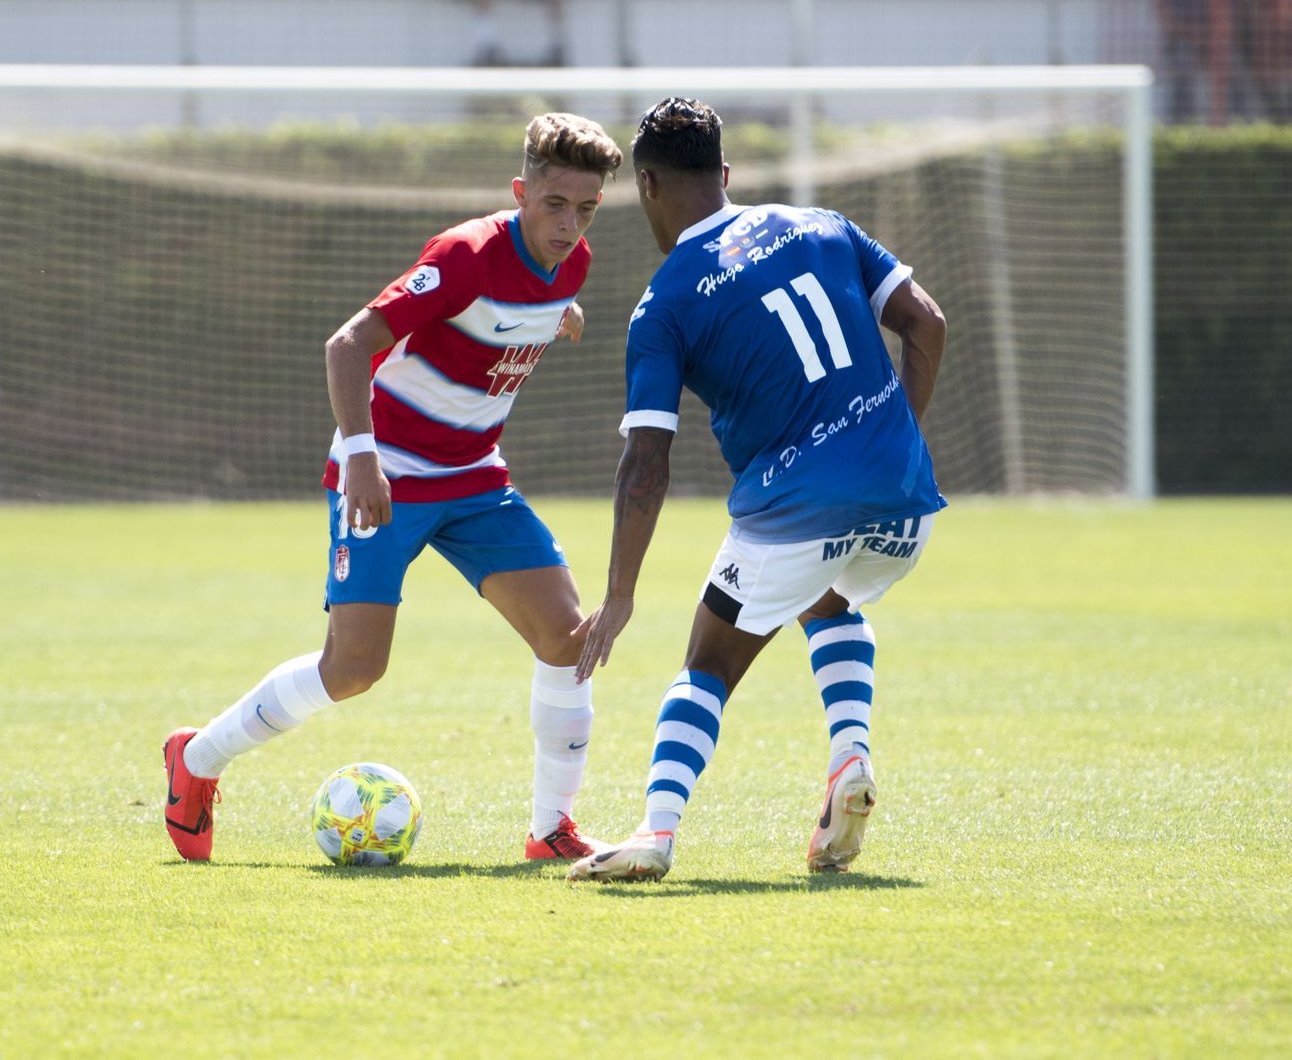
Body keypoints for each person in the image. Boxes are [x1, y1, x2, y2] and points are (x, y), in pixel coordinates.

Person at [163, 113, 625, 864]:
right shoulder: (465, 253)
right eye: (554, 205)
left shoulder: (570, 264)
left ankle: (550, 830)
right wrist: (360, 460)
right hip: (388, 475)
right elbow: (348, 344)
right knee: (353, 669)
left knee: (569, 640)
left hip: (476, 477)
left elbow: (526, 305)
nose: (570, 225)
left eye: (586, 209)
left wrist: (555, 314)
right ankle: (197, 759)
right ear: (520, 192)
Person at [566, 97, 948, 882]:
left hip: (798, 513)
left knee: (708, 660)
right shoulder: (825, 225)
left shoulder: (664, 304)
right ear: (726, 175)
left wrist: (620, 590)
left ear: (645, 184)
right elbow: (928, 323)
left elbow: (645, 462)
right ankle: (850, 760)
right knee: (831, 596)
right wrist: (890, 442)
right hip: (906, 500)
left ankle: (656, 831)